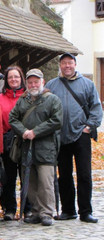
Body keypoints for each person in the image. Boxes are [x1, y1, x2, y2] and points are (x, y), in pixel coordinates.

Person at [45, 53, 103, 223]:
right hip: (60, 136)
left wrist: (89, 126)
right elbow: (44, 106)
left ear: (75, 64)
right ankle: (68, 210)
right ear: (60, 66)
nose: (67, 66)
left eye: (70, 63)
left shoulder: (87, 84)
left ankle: (86, 211)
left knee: (84, 174)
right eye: (64, 63)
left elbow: (96, 107)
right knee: (64, 174)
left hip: (81, 135)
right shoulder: (52, 85)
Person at [9, 68, 63, 226]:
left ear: (42, 82)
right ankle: (37, 211)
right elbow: (13, 118)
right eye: (30, 82)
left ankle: (47, 212)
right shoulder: (23, 100)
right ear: (26, 83)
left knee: (46, 182)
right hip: (27, 147)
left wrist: (36, 132)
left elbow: (57, 121)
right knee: (30, 182)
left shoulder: (52, 100)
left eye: (36, 81)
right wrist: (24, 131)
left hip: (46, 148)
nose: (33, 85)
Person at [0, 66, 29, 221]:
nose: (14, 80)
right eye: (10, 77)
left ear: (21, 78)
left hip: (26, 140)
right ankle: (9, 208)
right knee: (8, 178)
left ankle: (27, 208)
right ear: (6, 80)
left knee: (26, 176)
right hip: (7, 141)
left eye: (16, 77)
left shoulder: (29, 97)